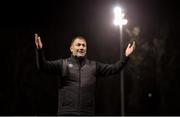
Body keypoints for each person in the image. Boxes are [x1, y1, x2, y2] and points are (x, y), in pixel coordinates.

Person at [34, 33, 136, 115]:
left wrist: (126, 56)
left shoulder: (94, 66)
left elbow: (114, 69)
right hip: (66, 112)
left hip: (87, 113)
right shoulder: (63, 64)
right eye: (78, 45)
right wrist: (39, 50)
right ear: (71, 48)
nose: (81, 47)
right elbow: (43, 67)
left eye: (84, 45)